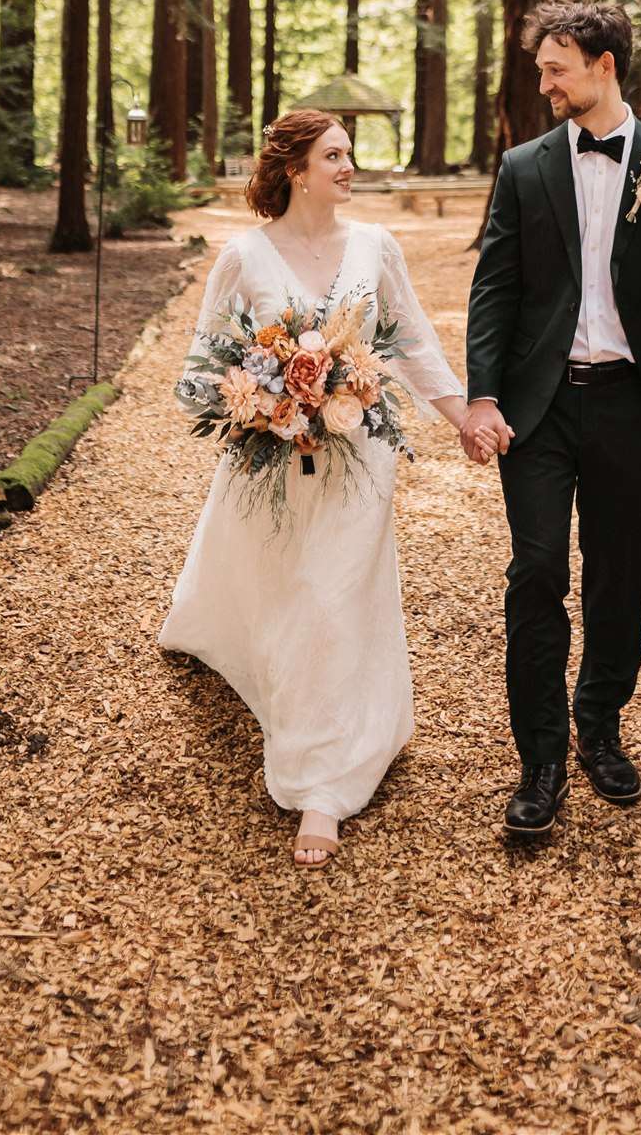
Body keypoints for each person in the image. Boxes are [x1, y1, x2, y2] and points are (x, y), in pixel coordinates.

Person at [461, 0, 641, 837]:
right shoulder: (522, 168)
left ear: (604, 65)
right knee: (538, 571)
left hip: (629, 403)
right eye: (542, 67)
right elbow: (495, 291)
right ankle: (540, 758)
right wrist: (481, 395)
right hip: (537, 409)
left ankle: (600, 724)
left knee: (619, 576)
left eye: (556, 67)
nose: (543, 82)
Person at [160, 108, 470, 868]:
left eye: (350, 153)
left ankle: (320, 784)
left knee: (332, 596)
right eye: (334, 155)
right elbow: (200, 371)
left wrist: (464, 414)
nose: (349, 165)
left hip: (360, 456)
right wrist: (260, 407)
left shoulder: (376, 247)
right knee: (284, 589)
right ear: (296, 170)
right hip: (272, 458)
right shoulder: (244, 257)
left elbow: (416, 340)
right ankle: (237, 649)